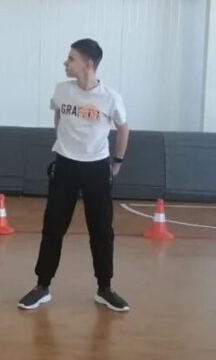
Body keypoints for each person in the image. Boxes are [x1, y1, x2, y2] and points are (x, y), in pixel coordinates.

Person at [18, 38, 131, 313]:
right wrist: (64, 142)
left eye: (71, 59)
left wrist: (116, 162)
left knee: (101, 230)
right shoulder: (62, 90)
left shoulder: (110, 97)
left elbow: (123, 128)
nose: (65, 63)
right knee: (53, 228)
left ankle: (105, 288)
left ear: (87, 64)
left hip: (96, 169)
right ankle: (42, 286)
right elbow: (58, 116)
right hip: (65, 166)